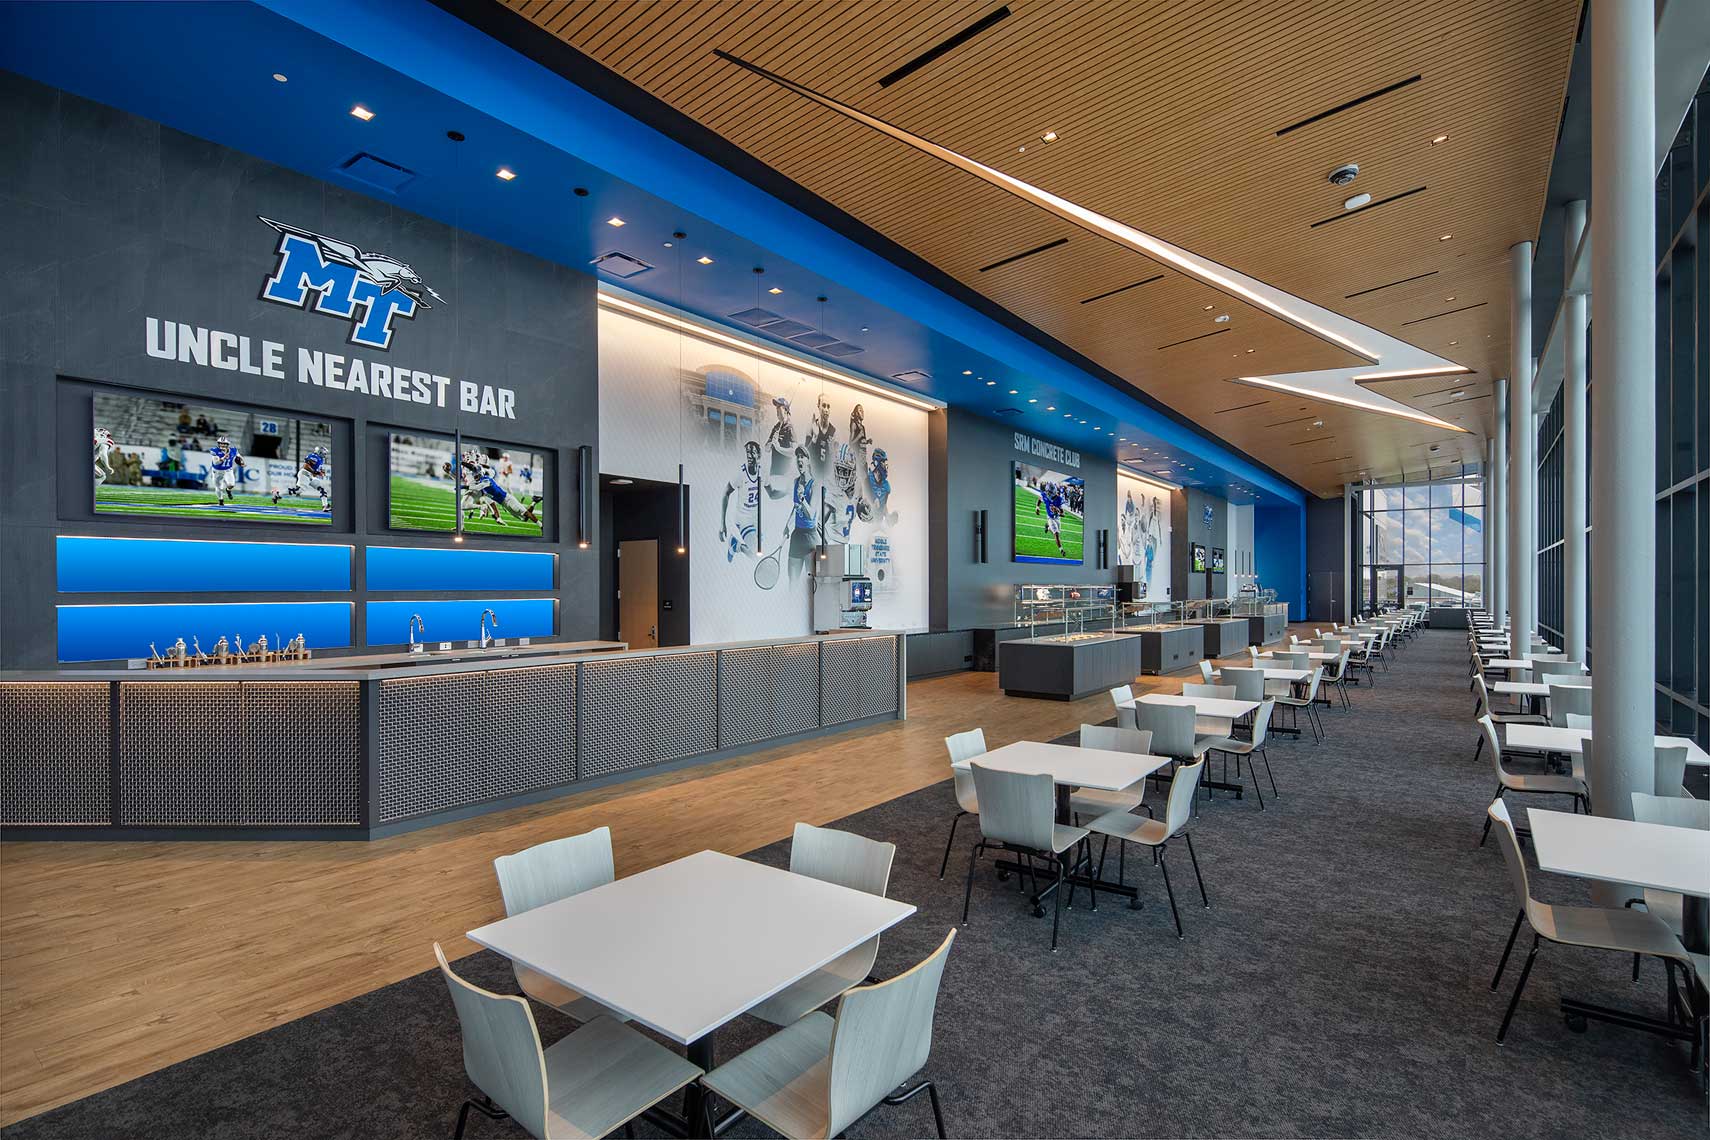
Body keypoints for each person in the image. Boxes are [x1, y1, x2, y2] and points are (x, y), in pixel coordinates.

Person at [719, 440, 764, 561]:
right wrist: (722, 524)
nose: (749, 455)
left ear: (759, 455)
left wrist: (787, 491)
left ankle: (735, 541)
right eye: (747, 452)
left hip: (755, 519)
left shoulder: (762, 472)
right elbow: (725, 493)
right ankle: (736, 546)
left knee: (761, 548)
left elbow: (772, 493)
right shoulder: (741, 473)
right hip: (743, 519)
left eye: (752, 452)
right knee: (755, 556)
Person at [273, 445, 331, 512]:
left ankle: (325, 506)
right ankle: (278, 494)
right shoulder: (314, 456)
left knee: (322, 489)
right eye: (324, 453)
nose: (325, 455)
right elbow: (306, 466)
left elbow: (319, 471)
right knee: (299, 490)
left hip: (310, 476)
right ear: (320, 452)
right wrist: (315, 472)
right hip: (305, 473)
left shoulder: (321, 460)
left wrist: (321, 472)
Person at [1034, 479, 1068, 557]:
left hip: (1057, 518)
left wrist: (1058, 511)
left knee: (1056, 532)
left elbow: (1063, 514)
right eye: (1051, 492)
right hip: (1050, 518)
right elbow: (1039, 500)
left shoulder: (1059, 499)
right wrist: (1037, 507)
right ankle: (1061, 550)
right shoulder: (1044, 495)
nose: (1053, 494)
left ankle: (1048, 527)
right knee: (1056, 534)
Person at [206, 436, 244, 505]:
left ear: (227, 444)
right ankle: (221, 500)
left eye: (224, 443)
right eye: (220, 443)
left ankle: (228, 490)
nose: (222, 445)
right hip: (217, 471)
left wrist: (242, 461)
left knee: (231, 484)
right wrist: (223, 458)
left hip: (228, 470)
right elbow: (216, 462)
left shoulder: (233, 450)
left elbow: (238, 456)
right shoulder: (215, 451)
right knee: (219, 487)